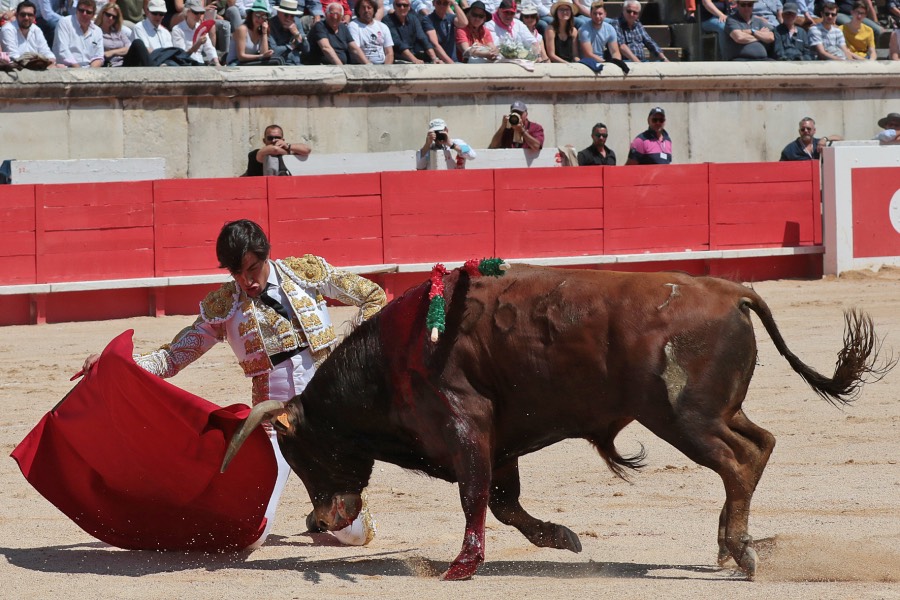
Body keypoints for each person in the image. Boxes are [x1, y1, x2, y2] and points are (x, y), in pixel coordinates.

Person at [81, 219, 386, 549]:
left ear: (266, 255)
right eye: (236, 273)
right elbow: (174, 355)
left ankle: (321, 514)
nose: (246, 281)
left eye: (252, 268)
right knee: (249, 537)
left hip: (325, 420)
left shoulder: (304, 274)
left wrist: (350, 355)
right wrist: (120, 365)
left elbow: (373, 295)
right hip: (274, 425)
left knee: (356, 536)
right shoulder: (225, 306)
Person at [227, 0, 286, 64]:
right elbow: (241, 56)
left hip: (249, 62)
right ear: (251, 15)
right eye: (257, 15)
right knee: (277, 61)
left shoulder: (260, 30)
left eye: (263, 16)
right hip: (235, 63)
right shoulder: (242, 29)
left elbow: (264, 53)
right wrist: (261, 56)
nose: (260, 19)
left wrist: (264, 33)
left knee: (277, 60)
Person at [244, 124, 312, 177]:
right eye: (270, 138)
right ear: (264, 141)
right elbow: (274, 149)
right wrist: (288, 152)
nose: (274, 140)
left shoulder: (287, 151)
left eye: (277, 138)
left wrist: (288, 146)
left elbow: (307, 149)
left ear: (282, 140)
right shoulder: (255, 154)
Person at [52, 0, 103, 67]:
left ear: (93, 15)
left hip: (90, 69)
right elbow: (63, 51)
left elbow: (98, 57)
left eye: (88, 12)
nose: (84, 14)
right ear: (76, 10)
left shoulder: (97, 31)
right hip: (67, 68)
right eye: (81, 10)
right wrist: (78, 70)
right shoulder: (65, 23)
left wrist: (90, 71)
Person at [172, 0, 220, 64]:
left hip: (200, 63)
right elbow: (182, 55)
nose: (199, 15)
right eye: (196, 12)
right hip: (186, 64)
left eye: (201, 12)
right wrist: (197, 45)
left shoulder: (201, 28)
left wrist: (217, 63)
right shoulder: (177, 30)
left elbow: (209, 48)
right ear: (187, 12)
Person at [267, 0, 306, 65]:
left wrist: (297, 34)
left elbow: (307, 50)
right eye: (286, 15)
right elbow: (273, 52)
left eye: (292, 16)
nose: (288, 18)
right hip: (279, 64)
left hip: (297, 63)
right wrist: (291, 46)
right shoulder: (271, 24)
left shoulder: (297, 22)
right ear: (279, 12)